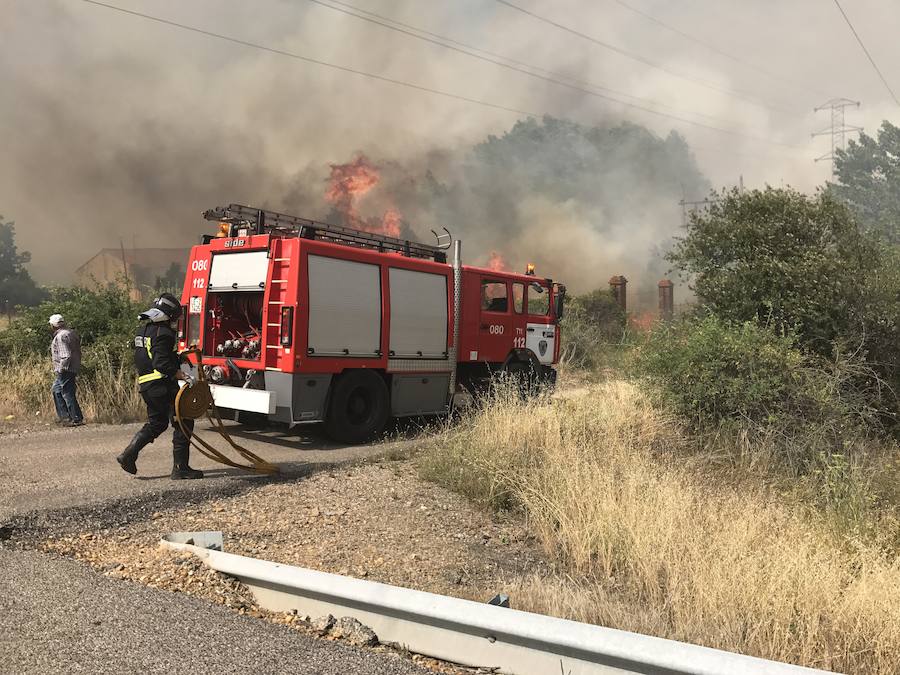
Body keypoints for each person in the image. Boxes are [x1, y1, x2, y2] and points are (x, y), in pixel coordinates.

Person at [116, 293, 203, 480]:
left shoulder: (144, 331)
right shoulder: (164, 333)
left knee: (157, 423)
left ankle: (128, 455)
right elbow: (160, 362)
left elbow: (149, 355)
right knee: (184, 419)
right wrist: (181, 374)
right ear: (169, 315)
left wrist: (178, 358)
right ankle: (181, 469)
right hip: (161, 384)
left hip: (147, 385)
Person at [49, 314, 84, 427]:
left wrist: (61, 369)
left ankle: (75, 418)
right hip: (72, 367)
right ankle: (65, 417)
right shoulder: (70, 333)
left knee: (67, 393)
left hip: (65, 369)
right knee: (56, 390)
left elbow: (66, 355)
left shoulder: (60, 336)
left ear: (53, 325)